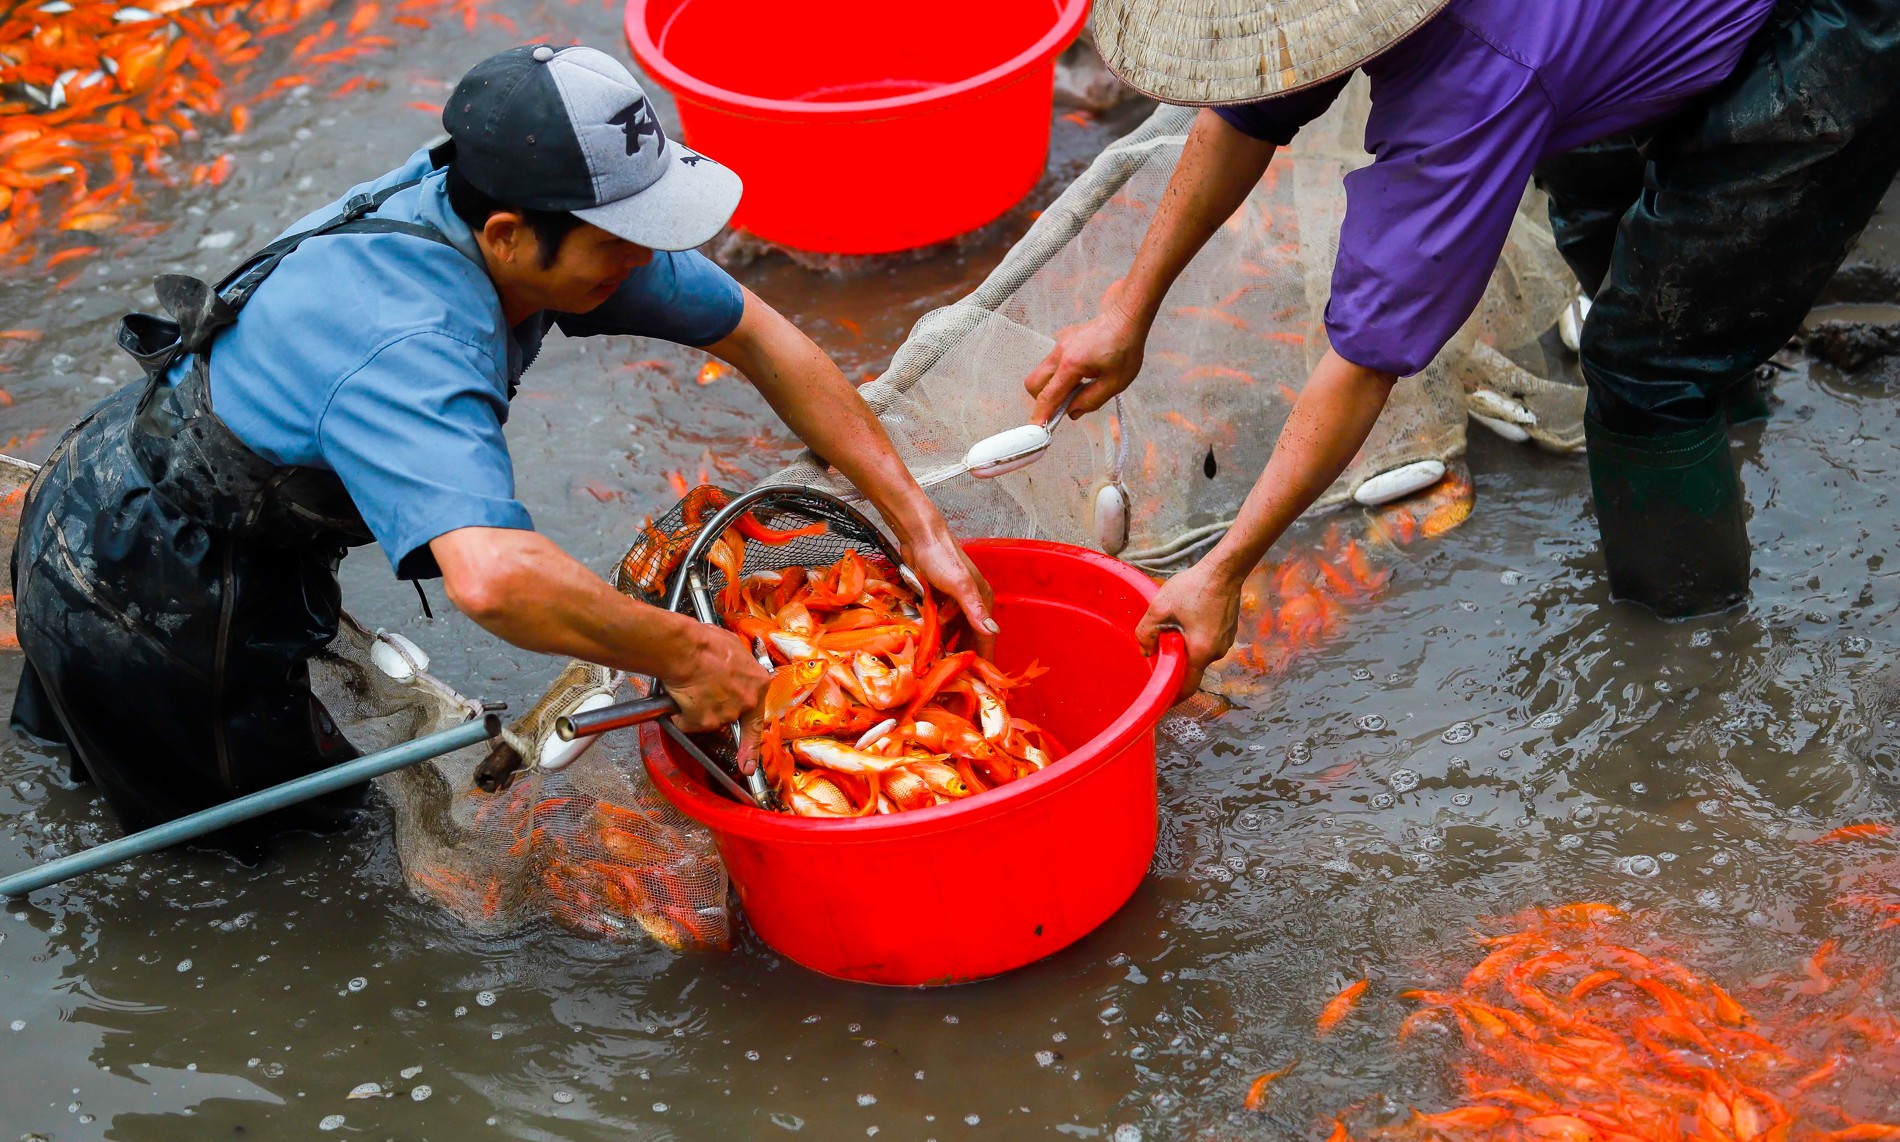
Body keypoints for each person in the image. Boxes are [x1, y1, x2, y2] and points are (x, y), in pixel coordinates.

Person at [10, 44, 994, 832]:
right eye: (622, 237)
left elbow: (764, 337)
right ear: (510, 238)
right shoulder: (416, 338)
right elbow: (493, 578)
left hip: (171, 476)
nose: (645, 257)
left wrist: (916, 524)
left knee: (127, 768)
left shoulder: (537, 224)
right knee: (264, 850)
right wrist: (694, 654)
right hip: (149, 574)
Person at [1029, 0, 1900, 694]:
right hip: (1613, 31)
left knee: (1643, 366)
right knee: (1601, 213)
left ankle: (1689, 657)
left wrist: (1225, 568)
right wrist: (1127, 309)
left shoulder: (1476, 80)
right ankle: (1724, 401)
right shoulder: (1341, 16)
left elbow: (1367, 358)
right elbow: (1253, 109)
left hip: (1827, 28)